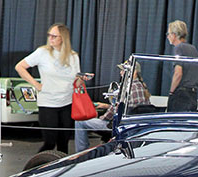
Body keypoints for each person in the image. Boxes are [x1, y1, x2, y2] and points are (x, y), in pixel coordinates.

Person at [16, 23, 85, 153]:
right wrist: (35, 84)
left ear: (62, 38)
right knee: (50, 142)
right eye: (49, 35)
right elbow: (20, 67)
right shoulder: (42, 52)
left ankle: (61, 171)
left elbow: (76, 81)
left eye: (54, 36)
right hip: (48, 104)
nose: (50, 38)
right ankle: (34, 169)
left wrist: (83, 79)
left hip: (67, 103)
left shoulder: (73, 56)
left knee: (63, 143)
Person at [75, 65, 151, 152]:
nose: (120, 73)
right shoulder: (141, 86)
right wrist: (106, 106)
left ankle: (81, 152)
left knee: (80, 122)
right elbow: (129, 107)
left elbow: (109, 116)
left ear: (134, 72)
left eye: (123, 70)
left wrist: (101, 118)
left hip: (119, 126)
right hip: (134, 126)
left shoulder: (125, 89)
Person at [165, 20, 198, 112]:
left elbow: (178, 73)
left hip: (181, 96)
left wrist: (171, 92)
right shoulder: (193, 49)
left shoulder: (178, 48)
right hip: (193, 95)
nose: (168, 36)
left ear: (174, 35)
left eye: (168, 34)